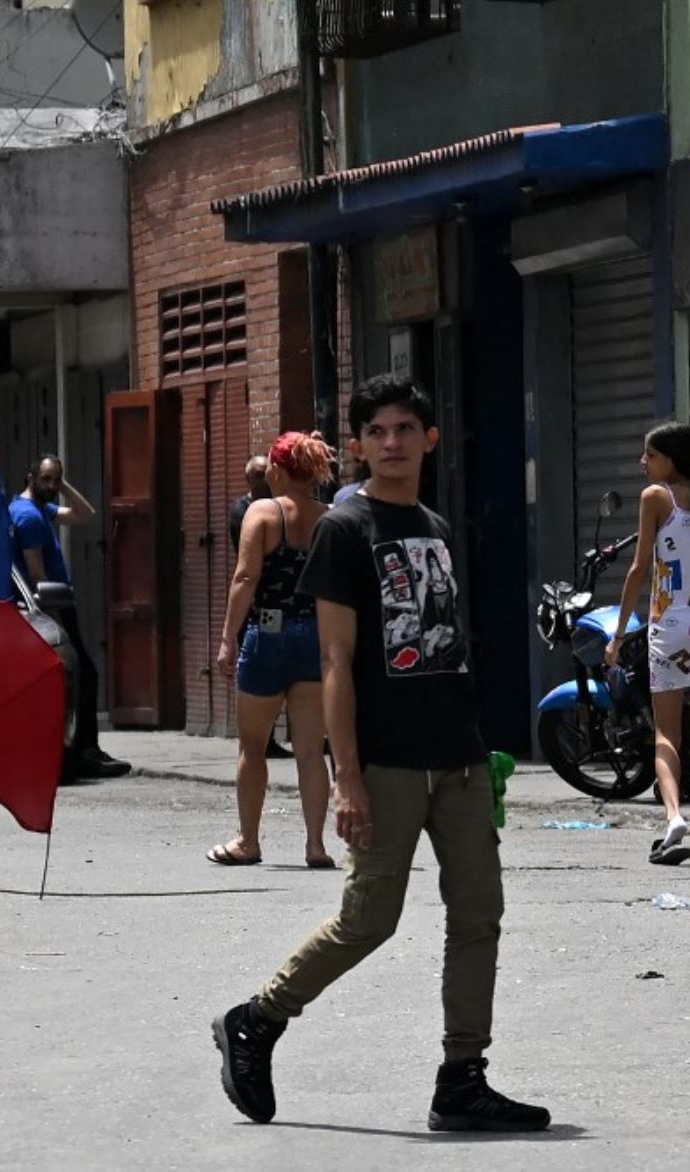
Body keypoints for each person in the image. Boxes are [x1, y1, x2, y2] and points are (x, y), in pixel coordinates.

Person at [212, 374, 550, 1133]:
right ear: (358, 445)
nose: (392, 442)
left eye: (406, 428)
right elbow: (335, 660)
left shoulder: (432, 522)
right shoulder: (344, 527)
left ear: (430, 439)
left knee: (479, 914)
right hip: (388, 762)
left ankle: (462, 1077)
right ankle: (258, 1019)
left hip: (457, 756)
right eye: (377, 431)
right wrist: (347, 777)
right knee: (370, 919)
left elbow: (447, 642)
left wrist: (482, 753)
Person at [606, 422, 690, 867]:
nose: (643, 463)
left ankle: (674, 818)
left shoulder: (655, 500)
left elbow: (639, 570)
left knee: (667, 733)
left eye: (650, 455)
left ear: (671, 459)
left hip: (671, 625)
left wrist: (620, 632)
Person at [210, 432, 335, 868]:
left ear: (277, 471)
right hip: (316, 637)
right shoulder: (330, 517)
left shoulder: (263, 512)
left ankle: (248, 840)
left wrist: (228, 639)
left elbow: (245, 579)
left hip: (268, 635)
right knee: (309, 749)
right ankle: (316, 845)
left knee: (252, 746)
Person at [10, 455, 131, 781]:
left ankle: (82, 748)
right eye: (47, 480)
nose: (51, 486)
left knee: (81, 675)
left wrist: (63, 486)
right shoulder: (29, 517)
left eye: (56, 480)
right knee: (83, 675)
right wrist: (53, 613)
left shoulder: (38, 509)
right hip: (52, 606)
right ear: (30, 476)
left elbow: (85, 514)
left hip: (55, 604)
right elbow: (36, 572)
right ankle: (84, 750)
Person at [229, 455, 294, 761]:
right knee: (257, 674)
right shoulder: (245, 511)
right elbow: (246, 570)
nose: (262, 482)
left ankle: (276, 738)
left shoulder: (280, 508)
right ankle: (262, 740)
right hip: (257, 607)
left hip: (284, 608)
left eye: (263, 475)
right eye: (256, 477)